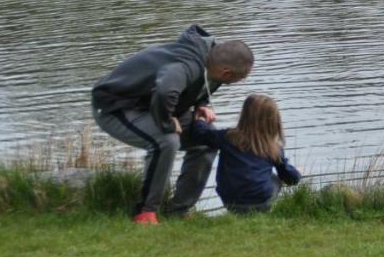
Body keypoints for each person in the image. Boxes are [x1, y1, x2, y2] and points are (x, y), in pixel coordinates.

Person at [91, 24, 254, 225]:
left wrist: (201, 104)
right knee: (166, 141)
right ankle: (145, 212)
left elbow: (196, 84)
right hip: (116, 106)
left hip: (150, 104)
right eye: (240, 79)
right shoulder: (188, 63)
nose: (240, 82)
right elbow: (166, 90)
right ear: (227, 73)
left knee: (207, 140)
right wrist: (167, 121)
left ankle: (179, 210)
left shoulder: (213, 61)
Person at [186, 94, 302, 214]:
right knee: (275, 178)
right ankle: (263, 210)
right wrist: (298, 172)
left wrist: (200, 120)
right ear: (274, 121)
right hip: (260, 202)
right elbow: (290, 178)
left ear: (244, 115)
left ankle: (238, 212)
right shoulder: (274, 149)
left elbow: (200, 133)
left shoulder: (227, 137)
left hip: (229, 200)